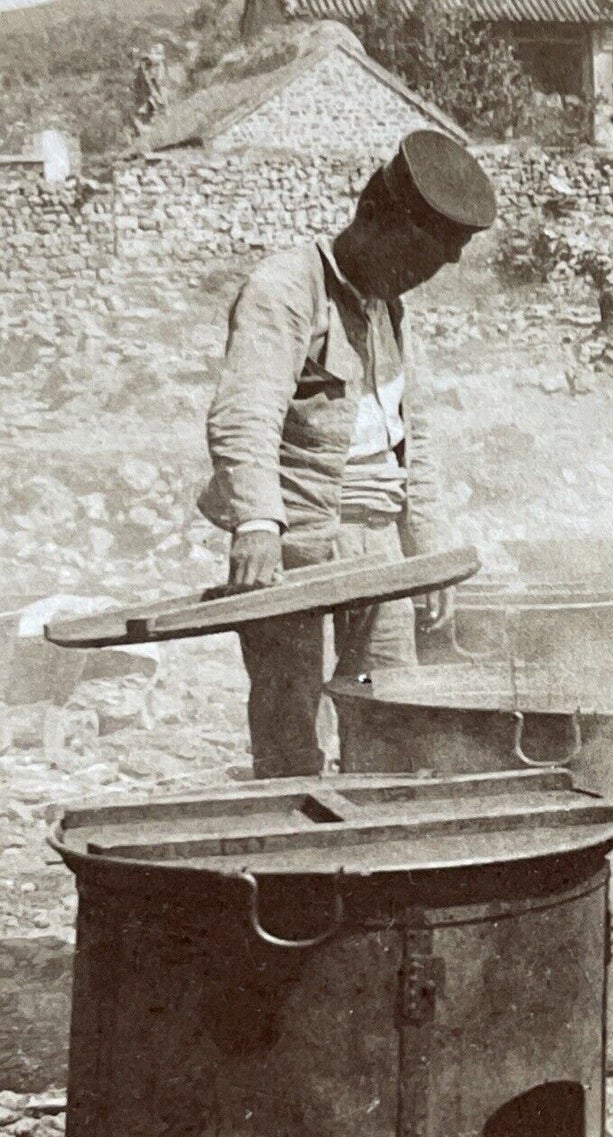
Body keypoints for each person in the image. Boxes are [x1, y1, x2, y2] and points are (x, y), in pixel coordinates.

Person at [201, 130, 495, 778]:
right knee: (289, 734)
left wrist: (432, 553)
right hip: (296, 545)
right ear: (376, 222)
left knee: (393, 712)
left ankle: (379, 863)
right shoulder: (284, 287)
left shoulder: (389, 306)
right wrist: (255, 521)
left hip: (378, 546)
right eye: (413, 262)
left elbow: (410, 439)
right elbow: (245, 410)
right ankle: (296, 867)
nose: (414, 282)